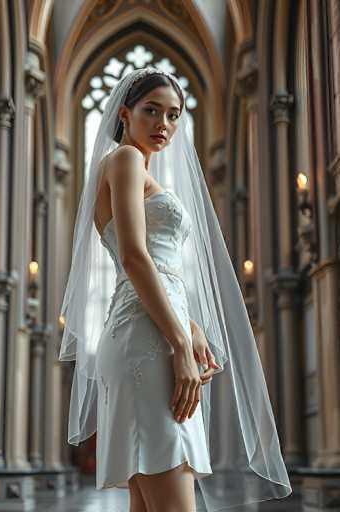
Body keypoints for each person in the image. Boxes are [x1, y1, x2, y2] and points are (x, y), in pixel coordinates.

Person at [59, 67, 292, 512]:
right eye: (152, 111)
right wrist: (181, 342)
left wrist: (189, 326)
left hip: (148, 332)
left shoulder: (133, 167)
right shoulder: (125, 159)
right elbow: (133, 257)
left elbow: (151, 267)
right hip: (148, 342)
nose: (163, 124)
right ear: (125, 114)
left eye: (173, 115)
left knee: (149, 501)